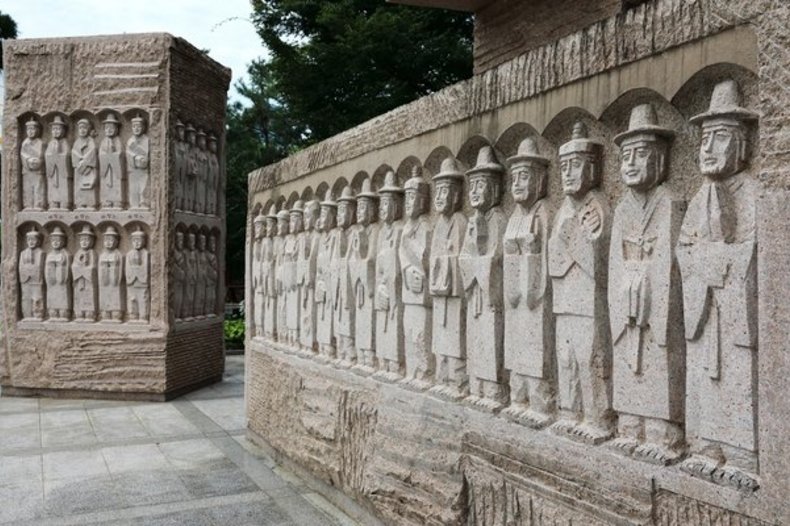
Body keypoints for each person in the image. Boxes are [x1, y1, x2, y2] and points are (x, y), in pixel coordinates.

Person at [677, 79, 760, 490]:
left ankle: (743, 452)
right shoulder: (698, 198)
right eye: (704, 139)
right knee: (704, 374)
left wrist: (715, 260)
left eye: (719, 138)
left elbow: (753, 253)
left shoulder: (753, 194)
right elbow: (683, 249)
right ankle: (708, 444)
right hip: (704, 308)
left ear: (742, 146)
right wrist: (700, 263)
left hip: (734, 310)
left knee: (738, 374)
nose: (707, 149)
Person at [610, 104, 685, 464]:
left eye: (641, 154)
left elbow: (669, 263)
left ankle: (660, 428)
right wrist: (625, 291)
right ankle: (629, 422)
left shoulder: (669, 203)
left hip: (654, 304)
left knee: (658, 358)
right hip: (626, 301)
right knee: (628, 357)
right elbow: (613, 261)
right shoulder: (622, 207)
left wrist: (645, 290)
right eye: (626, 155)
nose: (631, 162)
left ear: (660, 158)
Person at [548, 122, 613, 444]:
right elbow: (553, 261)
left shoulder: (597, 205)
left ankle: (596, 417)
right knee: (566, 357)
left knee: (590, 357)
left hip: (588, 301)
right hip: (563, 299)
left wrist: (574, 241)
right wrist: (570, 240)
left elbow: (599, 265)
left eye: (575, 166)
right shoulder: (563, 209)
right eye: (564, 167)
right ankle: (570, 412)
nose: (568, 174)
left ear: (592, 169)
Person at [501, 137, 554, 428]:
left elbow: (548, 260)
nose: (517, 184)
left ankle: (539, 401)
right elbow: (506, 259)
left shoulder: (543, 213)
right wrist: (513, 252)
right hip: (514, 300)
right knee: (515, 347)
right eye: (514, 178)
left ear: (540, 179)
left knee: (536, 352)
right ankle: (518, 397)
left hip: (535, 299)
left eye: (524, 176)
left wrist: (531, 252)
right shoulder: (512, 218)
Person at [459, 146, 508, 411]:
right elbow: (463, 258)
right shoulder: (472, 221)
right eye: (473, 185)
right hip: (475, 292)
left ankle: (492, 389)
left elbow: (498, 258)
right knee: (476, 340)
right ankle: (476, 384)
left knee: (492, 340)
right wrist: (475, 259)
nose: (475, 191)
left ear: (496, 188)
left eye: (481, 185)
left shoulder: (499, 219)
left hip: (490, 298)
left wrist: (480, 262)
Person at [46, 115, 71, 210]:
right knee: (52, 187)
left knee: (63, 187)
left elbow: (67, 155)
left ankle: (64, 204)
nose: (56, 131)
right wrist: (52, 157)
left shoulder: (64, 142)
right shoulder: (51, 143)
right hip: (53, 171)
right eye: (54, 129)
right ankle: (53, 203)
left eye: (58, 129)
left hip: (62, 172)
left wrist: (59, 157)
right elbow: (47, 155)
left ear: (63, 130)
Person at [99, 113, 124, 209]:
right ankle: (106, 202)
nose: (109, 130)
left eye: (111, 128)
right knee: (106, 186)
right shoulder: (103, 141)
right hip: (106, 169)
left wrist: (114, 154)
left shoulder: (118, 140)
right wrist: (106, 156)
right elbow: (100, 154)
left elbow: (120, 153)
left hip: (115, 170)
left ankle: (117, 202)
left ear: (116, 129)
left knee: (116, 184)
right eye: (107, 128)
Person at [73, 118, 99, 209]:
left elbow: (93, 152)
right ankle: (80, 204)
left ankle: (90, 204)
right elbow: (73, 153)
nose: (82, 130)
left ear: (88, 129)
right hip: (79, 169)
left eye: (84, 128)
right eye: (80, 128)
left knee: (89, 187)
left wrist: (85, 161)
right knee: (79, 187)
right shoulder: (77, 142)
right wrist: (79, 160)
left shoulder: (91, 141)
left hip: (89, 168)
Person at [21, 118, 45, 209]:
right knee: (27, 188)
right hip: (27, 170)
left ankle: (39, 205)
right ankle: (28, 205)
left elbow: (42, 155)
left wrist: (39, 161)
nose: (30, 131)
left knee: (38, 187)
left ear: (38, 130)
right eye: (28, 129)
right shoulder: (25, 143)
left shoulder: (41, 143)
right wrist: (28, 160)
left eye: (33, 129)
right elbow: (23, 155)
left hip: (38, 170)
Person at [126, 114, 150, 208]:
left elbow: (146, 153)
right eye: (134, 127)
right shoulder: (130, 141)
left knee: (143, 186)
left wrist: (137, 151)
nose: (136, 129)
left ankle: (144, 203)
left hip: (143, 170)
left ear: (143, 127)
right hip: (133, 168)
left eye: (139, 126)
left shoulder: (146, 140)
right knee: (133, 187)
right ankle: (134, 205)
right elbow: (128, 154)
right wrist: (136, 157)